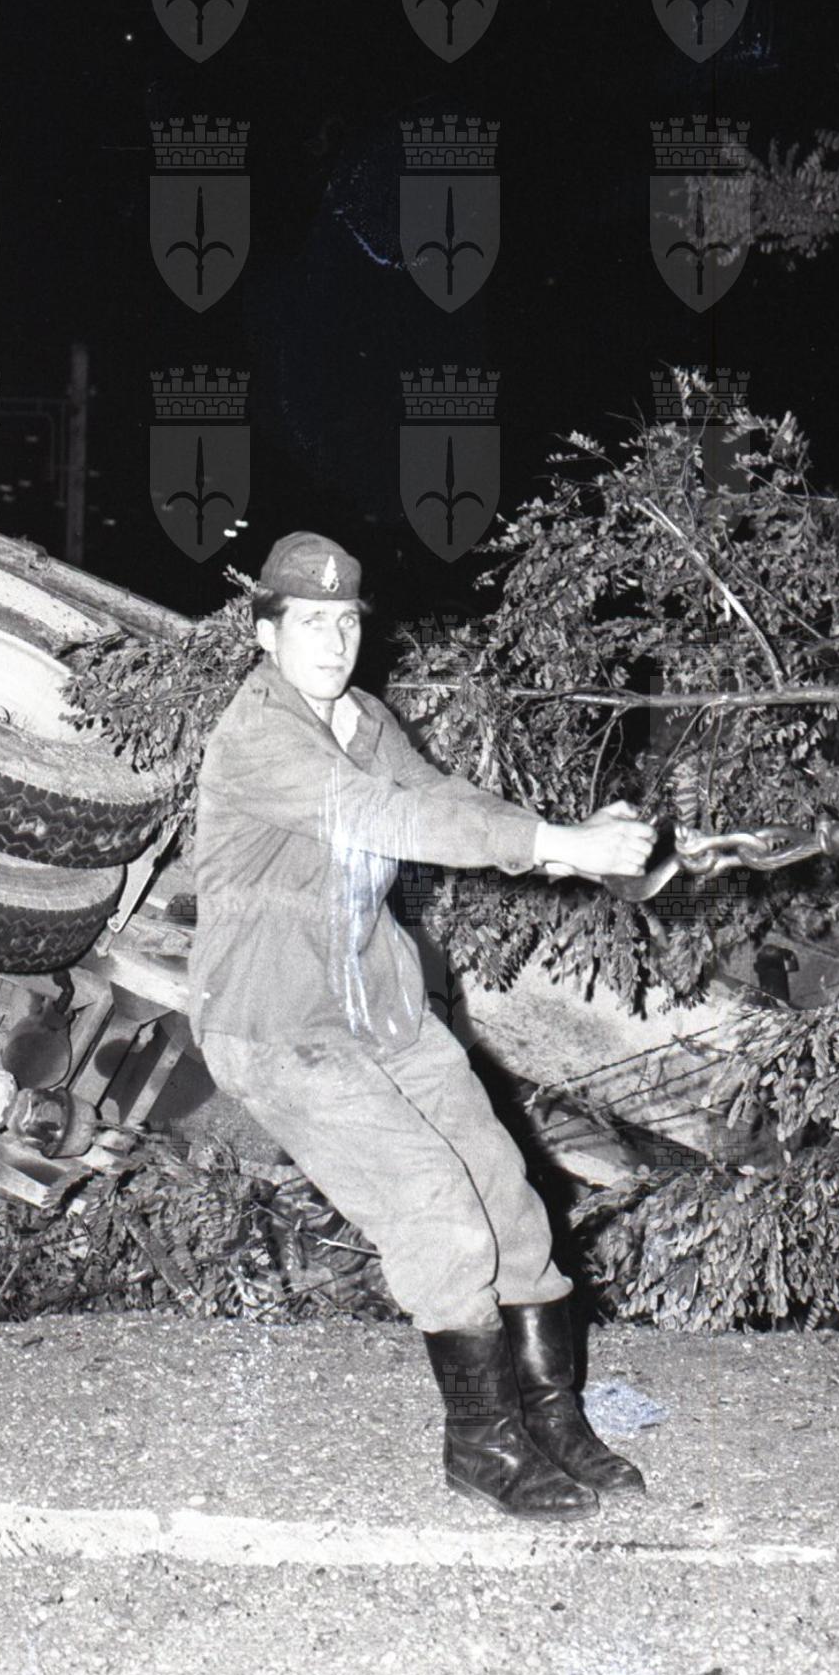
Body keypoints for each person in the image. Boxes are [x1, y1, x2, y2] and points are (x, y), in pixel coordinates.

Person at [189, 531, 657, 1520]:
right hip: (278, 1024)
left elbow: (439, 798)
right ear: (266, 633)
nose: (331, 641)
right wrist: (555, 840)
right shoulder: (257, 735)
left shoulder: (362, 719)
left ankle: (551, 1415)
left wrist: (562, 850)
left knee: (506, 1197)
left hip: (379, 1006)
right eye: (308, 622)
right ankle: (481, 1443)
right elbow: (383, 819)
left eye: (345, 622)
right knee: (435, 1207)